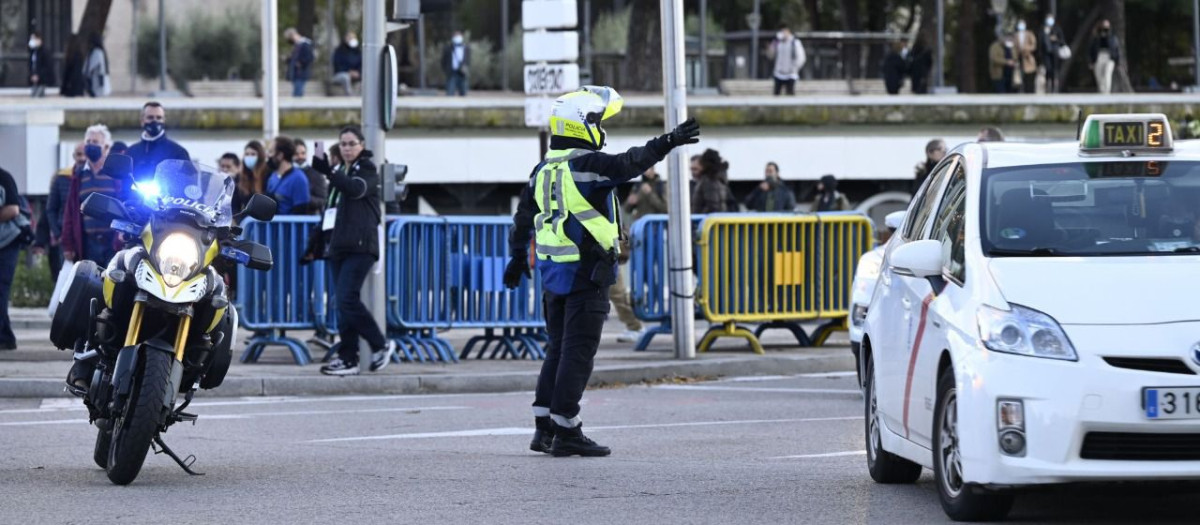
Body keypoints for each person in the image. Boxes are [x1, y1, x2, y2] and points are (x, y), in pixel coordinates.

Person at [503, 86, 700, 457]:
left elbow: (522, 219)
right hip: (587, 273)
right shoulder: (587, 166)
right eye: (596, 120)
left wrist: (516, 259)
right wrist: (668, 141)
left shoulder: (543, 170)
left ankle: (544, 427)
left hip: (553, 275)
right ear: (583, 125)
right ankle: (568, 430)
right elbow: (628, 163)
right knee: (578, 353)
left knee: (557, 351)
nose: (600, 127)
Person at [314, 126, 398, 376]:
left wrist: (328, 171)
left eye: (352, 143)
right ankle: (348, 357)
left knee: (348, 298)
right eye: (343, 144)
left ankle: (380, 344)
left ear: (361, 145)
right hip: (339, 244)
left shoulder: (367, 168)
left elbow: (356, 189)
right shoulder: (341, 171)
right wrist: (315, 243)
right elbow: (331, 210)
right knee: (342, 303)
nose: (347, 148)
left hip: (361, 244)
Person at [62, 125, 118, 265]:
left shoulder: (115, 175)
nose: (91, 145)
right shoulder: (79, 176)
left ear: (106, 147)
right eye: (88, 141)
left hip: (112, 243)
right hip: (88, 244)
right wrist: (68, 244)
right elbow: (70, 212)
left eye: (95, 142)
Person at [41, 143, 85, 279]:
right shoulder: (62, 179)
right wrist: (58, 234)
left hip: (87, 237)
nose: (82, 158)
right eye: (79, 154)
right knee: (65, 280)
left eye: (85, 154)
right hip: (66, 238)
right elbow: (51, 209)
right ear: (73, 156)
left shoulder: (94, 178)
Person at [128, 102, 191, 184]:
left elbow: (188, 181)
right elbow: (124, 181)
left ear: (164, 120)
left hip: (167, 196)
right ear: (142, 121)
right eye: (150, 117)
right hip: (135, 196)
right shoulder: (131, 152)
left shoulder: (178, 152)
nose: (155, 121)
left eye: (159, 118)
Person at [0, 166, 25, 350]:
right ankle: (6, 336)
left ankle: (4, 337)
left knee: (1, 288)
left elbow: (13, 210)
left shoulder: (4, 178)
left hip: (7, 242)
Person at [265, 136, 311, 215]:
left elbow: (301, 212)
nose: (268, 156)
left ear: (280, 155)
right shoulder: (273, 177)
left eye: (271, 152)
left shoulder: (298, 178)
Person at [766, 26, 805, 96]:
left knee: (790, 93)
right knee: (776, 94)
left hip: (791, 74)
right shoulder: (778, 42)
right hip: (779, 73)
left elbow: (801, 57)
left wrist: (794, 68)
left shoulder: (795, 43)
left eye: (785, 32)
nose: (783, 34)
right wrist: (774, 43)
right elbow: (770, 55)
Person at [692, 148, 732, 214]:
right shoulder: (718, 178)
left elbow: (713, 206)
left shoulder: (708, 180)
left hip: (706, 222)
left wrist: (701, 219)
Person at [294, 139, 328, 214]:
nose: (300, 156)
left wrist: (305, 198)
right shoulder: (286, 172)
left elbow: (323, 200)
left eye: (303, 153)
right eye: (296, 154)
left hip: (309, 218)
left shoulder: (316, 174)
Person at [1089, 20, 1120, 94]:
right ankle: (1102, 93)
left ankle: (1107, 93)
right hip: (1099, 57)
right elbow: (1091, 49)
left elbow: (1116, 49)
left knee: (1107, 74)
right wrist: (1090, 61)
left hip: (1109, 57)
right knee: (1099, 77)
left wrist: (1118, 61)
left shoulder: (1112, 37)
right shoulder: (1096, 36)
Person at [284, 27, 315, 97]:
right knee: (296, 90)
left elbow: (309, 57)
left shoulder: (305, 44)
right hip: (296, 72)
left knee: (298, 92)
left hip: (300, 72)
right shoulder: (297, 45)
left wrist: (301, 63)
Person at [1041, 15, 1067, 94]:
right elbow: (1041, 41)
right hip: (1046, 53)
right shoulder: (1043, 29)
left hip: (1055, 52)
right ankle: (1047, 86)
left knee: (1054, 70)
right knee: (1048, 69)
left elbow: (1062, 41)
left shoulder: (1057, 29)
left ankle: (1053, 88)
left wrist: (1056, 39)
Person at [331, 31, 362, 96]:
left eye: (353, 38)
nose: (352, 39)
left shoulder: (358, 51)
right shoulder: (339, 51)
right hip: (341, 73)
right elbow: (337, 64)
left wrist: (358, 72)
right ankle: (349, 95)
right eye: (350, 37)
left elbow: (361, 64)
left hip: (356, 74)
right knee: (346, 77)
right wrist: (348, 71)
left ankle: (360, 96)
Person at [442, 31, 470, 97]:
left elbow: (468, 60)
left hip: (462, 73)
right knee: (450, 93)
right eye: (456, 36)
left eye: (458, 36)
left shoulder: (466, 48)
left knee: (464, 93)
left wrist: (465, 68)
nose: (457, 38)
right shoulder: (448, 48)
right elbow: (443, 61)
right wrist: (447, 70)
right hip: (452, 73)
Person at [28, 31, 55, 98]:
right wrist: (32, 75)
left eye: (34, 39)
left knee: (38, 96)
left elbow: (47, 66)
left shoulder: (45, 52)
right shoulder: (33, 51)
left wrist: (38, 75)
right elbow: (32, 65)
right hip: (34, 80)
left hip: (42, 80)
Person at [1014, 20, 1037, 94]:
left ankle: (1030, 91)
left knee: (1029, 76)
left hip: (1028, 57)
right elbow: (1014, 47)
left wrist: (1025, 48)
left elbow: (1033, 46)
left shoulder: (1030, 34)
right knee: (1020, 76)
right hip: (1019, 58)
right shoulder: (1016, 35)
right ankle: (1022, 91)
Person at [83, 33, 109, 97]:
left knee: (97, 92)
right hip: (95, 75)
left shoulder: (97, 52)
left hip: (96, 76)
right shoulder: (94, 51)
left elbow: (94, 64)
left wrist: (88, 73)